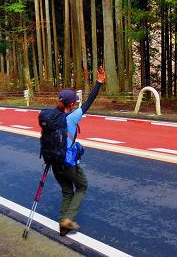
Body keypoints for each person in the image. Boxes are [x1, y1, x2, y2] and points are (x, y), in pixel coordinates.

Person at [53, 67, 105, 236]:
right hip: (68, 163)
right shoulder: (72, 117)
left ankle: (63, 227)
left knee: (67, 191)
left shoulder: (52, 117)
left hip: (54, 162)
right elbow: (89, 101)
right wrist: (99, 82)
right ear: (72, 104)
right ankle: (68, 218)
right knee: (82, 186)